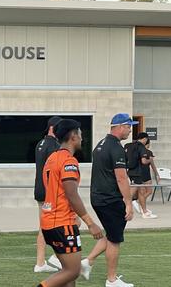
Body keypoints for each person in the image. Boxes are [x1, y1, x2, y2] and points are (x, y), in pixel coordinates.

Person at [37, 119, 103, 287]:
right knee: (72, 271)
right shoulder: (68, 161)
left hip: (49, 221)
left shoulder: (52, 158)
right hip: (61, 223)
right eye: (80, 134)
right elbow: (71, 194)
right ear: (73, 136)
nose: (82, 138)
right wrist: (90, 223)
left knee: (69, 273)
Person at [82, 114, 137, 287]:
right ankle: (111, 280)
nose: (130, 130)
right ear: (120, 126)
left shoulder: (100, 144)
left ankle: (87, 262)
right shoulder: (115, 148)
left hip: (99, 197)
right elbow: (121, 178)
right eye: (128, 126)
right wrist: (129, 203)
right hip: (109, 199)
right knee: (115, 239)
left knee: (113, 233)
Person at [33, 116, 62, 273]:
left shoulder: (40, 143)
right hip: (49, 192)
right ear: (52, 128)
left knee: (43, 227)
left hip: (40, 190)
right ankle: (56, 258)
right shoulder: (55, 146)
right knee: (59, 225)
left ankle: (40, 262)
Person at [125, 133, 151, 216]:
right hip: (137, 172)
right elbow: (144, 161)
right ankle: (121, 209)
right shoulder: (141, 147)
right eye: (146, 140)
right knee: (130, 195)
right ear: (144, 139)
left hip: (130, 171)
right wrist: (149, 160)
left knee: (141, 192)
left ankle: (144, 211)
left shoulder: (128, 145)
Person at [138, 141, 161, 219]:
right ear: (147, 144)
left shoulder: (137, 151)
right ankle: (141, 205)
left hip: (138, 173)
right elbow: (152, 165)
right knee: (149, 191)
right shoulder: (148, 152)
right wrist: (157, 174)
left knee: (142, 192)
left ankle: (141, 205)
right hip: (145, 173)